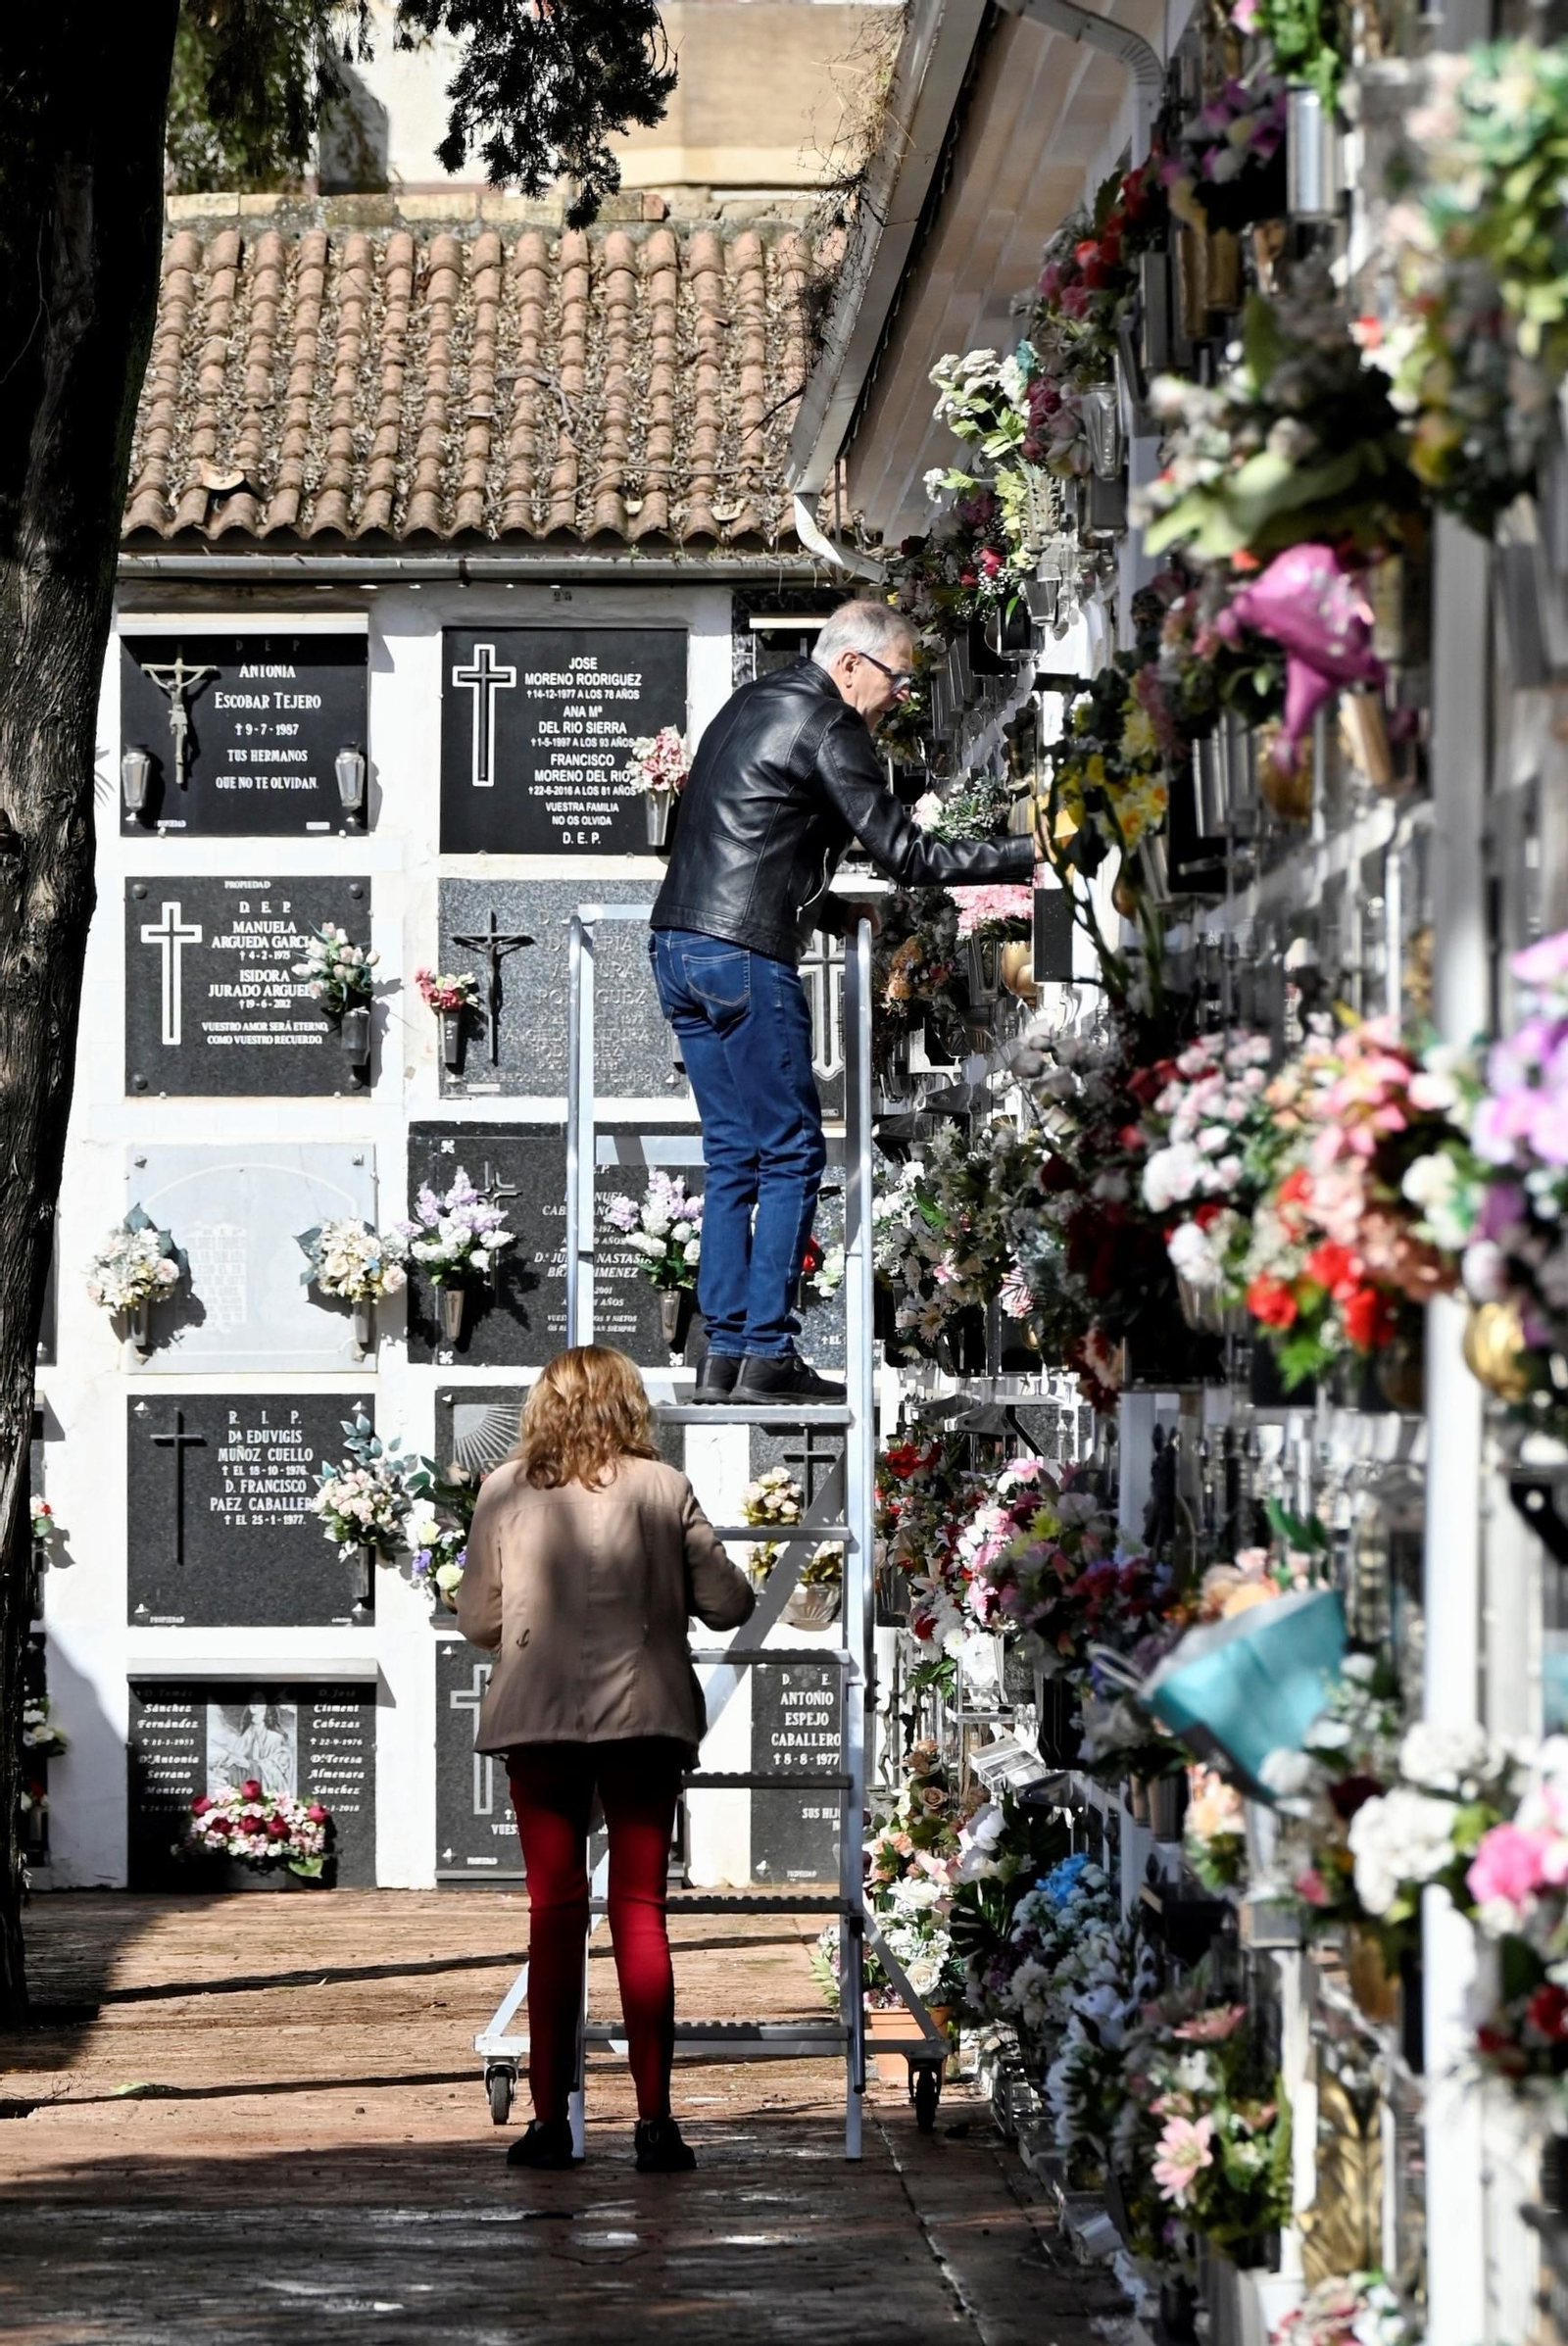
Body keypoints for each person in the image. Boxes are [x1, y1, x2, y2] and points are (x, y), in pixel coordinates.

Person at [650, 596, 1040, 1403]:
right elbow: (906, 853)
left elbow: (742, 832)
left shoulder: (749, 703)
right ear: (852, 662)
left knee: (733, 1156)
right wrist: (1030, 849)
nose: (901, 696)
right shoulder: (828, 722)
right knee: (791, 1151)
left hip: (680, 947)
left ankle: (722, 1357)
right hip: (744, 954)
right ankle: (768, 1355)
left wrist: (827, 909)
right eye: (897, 679)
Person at [456, 1344, 755, 2175]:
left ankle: (552, 2124)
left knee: (552, 1916)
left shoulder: (506, 1488)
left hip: (540, 1720)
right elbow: (729, 1603)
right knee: (640, 1909)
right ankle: (656, 2124)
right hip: (644, 1719)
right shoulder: (663, 1489)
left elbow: (478, 1619)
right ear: (630, 1405)